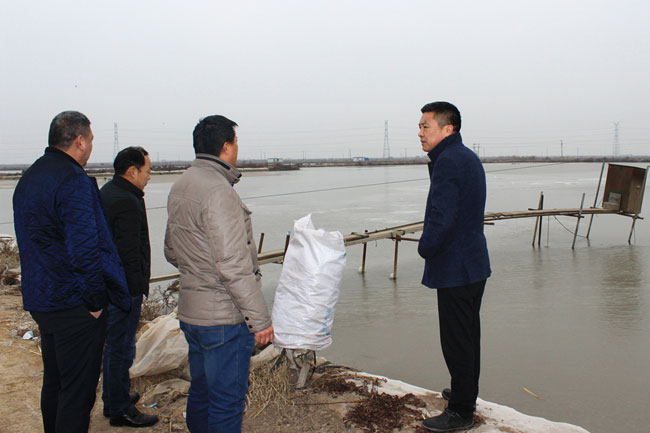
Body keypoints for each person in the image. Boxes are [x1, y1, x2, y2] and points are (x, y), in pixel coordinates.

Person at [12, 111, 131, 433]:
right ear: (79, 141)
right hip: (74, 303)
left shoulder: (31, 176)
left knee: (55, 383)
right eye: (90, 140)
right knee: (77, 393)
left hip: (42, 298)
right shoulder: (72, 180)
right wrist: (94, 302)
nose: (91, 146)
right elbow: (85, 247)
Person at [164, 115, 274, 433]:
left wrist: (199, 271)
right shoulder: (218, 191)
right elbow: (234, 264)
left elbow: (171, 251)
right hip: (223, 319)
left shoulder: (181, 184)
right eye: (236, 143)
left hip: (192, 314)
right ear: (226, 147)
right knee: (227, 401)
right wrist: (260, 321)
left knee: (201, 391)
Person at [417, 102, 491, 432]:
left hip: (456, 266)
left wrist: (425, 247)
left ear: (448, 129)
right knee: (468, 335)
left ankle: (461, 411)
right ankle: (464, 392)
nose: (420, 133)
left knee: (456, 340)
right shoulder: (465, 156)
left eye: (426, 126)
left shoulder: (448, 161)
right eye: (419, 127)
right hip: (472, 262)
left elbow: (442, 217)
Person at [100, 146, 159, 428]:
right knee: (121, 349)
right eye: (147, 171)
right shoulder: (125, 201)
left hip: (113, 288)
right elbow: (128, 253)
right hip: (123, 291)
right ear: (132, 171)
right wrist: (134, 290)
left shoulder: (111, 192)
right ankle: (120, 409)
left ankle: (114, 397)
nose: (149, 176)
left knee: (115, 347)